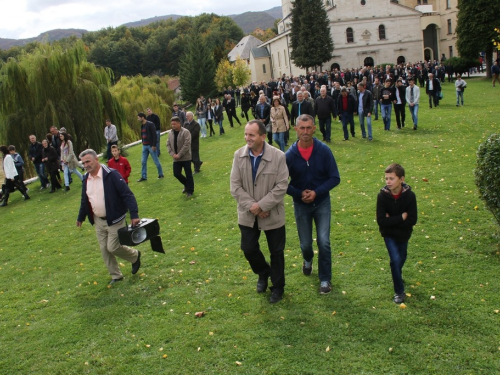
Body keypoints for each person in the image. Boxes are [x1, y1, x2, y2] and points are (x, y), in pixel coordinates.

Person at [230, 119, 288, 304]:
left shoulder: (278, 156)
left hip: (272, 214)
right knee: (248, 248)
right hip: (248, 214)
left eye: (251, 135)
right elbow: (235, 186)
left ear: (263, 137)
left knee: (276, 252)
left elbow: (282, 185)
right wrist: (254, 207)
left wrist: (262, 205)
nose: (247, 138)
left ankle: (277, 287)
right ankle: (263, 273)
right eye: (246, 134)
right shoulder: (238, 155)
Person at [285, 114, 341, 294]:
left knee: (324, 241)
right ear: (296, 129)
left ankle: (325, 279)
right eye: (302, 128)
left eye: (309, 128)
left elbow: (335, 177)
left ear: (314, 128)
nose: (305, 132)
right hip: (301, 205)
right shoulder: (289, 156)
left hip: (322, 202)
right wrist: (299, 193)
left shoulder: (324, 150)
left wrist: (317, 192)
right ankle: (307, 259)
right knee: (306, 244)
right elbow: (281, 183)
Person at [76, 149, 142, 285]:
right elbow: (85, 199)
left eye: (88, 161)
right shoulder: (85, 179)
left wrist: (134, 214)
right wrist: (81, 217)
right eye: (83, 163)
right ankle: (116, 276)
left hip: (115, 219)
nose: (85, 165)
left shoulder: (111, 175)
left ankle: (135, 256)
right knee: (104, 250)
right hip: (98, 220)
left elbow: (127, 194)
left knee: (112, 247)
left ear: (96, 160)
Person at [376, 163, 417, 304]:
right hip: (388, 235)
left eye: (392, 178)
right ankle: (399, 291)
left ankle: (397, 275)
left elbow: (412, 219)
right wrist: (401, 217)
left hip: (404, 234)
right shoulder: (382, 196)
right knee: (395, 260)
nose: (388, 181)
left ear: (402, 179)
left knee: (402, 257)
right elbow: (381, 221)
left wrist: (392, 220)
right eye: (386, 178)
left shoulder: (410, 196)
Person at [167, 117, 194, 198]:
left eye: (174, 124)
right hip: (176, 158)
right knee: (176, 173)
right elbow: (168, 144)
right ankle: (187, 184)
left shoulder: (185, 132)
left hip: (185, 157)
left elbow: (187, 144)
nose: (173, 126)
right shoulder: (170, 133)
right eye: (172, 124)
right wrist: (172, 154)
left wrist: (179, 154)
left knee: (188, 174)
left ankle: (190, 191)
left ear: (179, 123)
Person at [137, 112, 163, 182]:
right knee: (143, 161)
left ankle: (161, 174)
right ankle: (144, 176)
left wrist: (154, 145)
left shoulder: (150, 124)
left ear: (142, 117)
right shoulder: (142, 125)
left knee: (156, 160)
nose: (138, 119)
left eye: (139, 117)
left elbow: (154, 135)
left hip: (150, 145)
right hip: (144, 146)